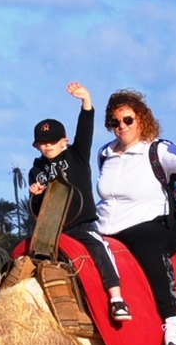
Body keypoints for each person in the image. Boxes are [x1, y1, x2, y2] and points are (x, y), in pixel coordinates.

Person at [95, 89, 176, 345]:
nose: (121, 126)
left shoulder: (157, 150)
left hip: (150, 225)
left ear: (141, 120)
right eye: (115, 122)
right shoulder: (105, 154)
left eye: (127, 120)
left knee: (148, 248)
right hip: (106, 228)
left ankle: (171, 320)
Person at [26, 82, 129, 321]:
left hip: (80, 226)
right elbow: (37, 209)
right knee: (21, 258)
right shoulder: (36, 170)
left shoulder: (77, 154)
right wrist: (36, 193)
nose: (47, 145)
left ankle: (116, 299)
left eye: (52, 141)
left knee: (99, 248)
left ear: (65, 141)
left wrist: (86, 101)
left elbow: (85, 129)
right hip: (50, 232)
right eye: (42, 142)